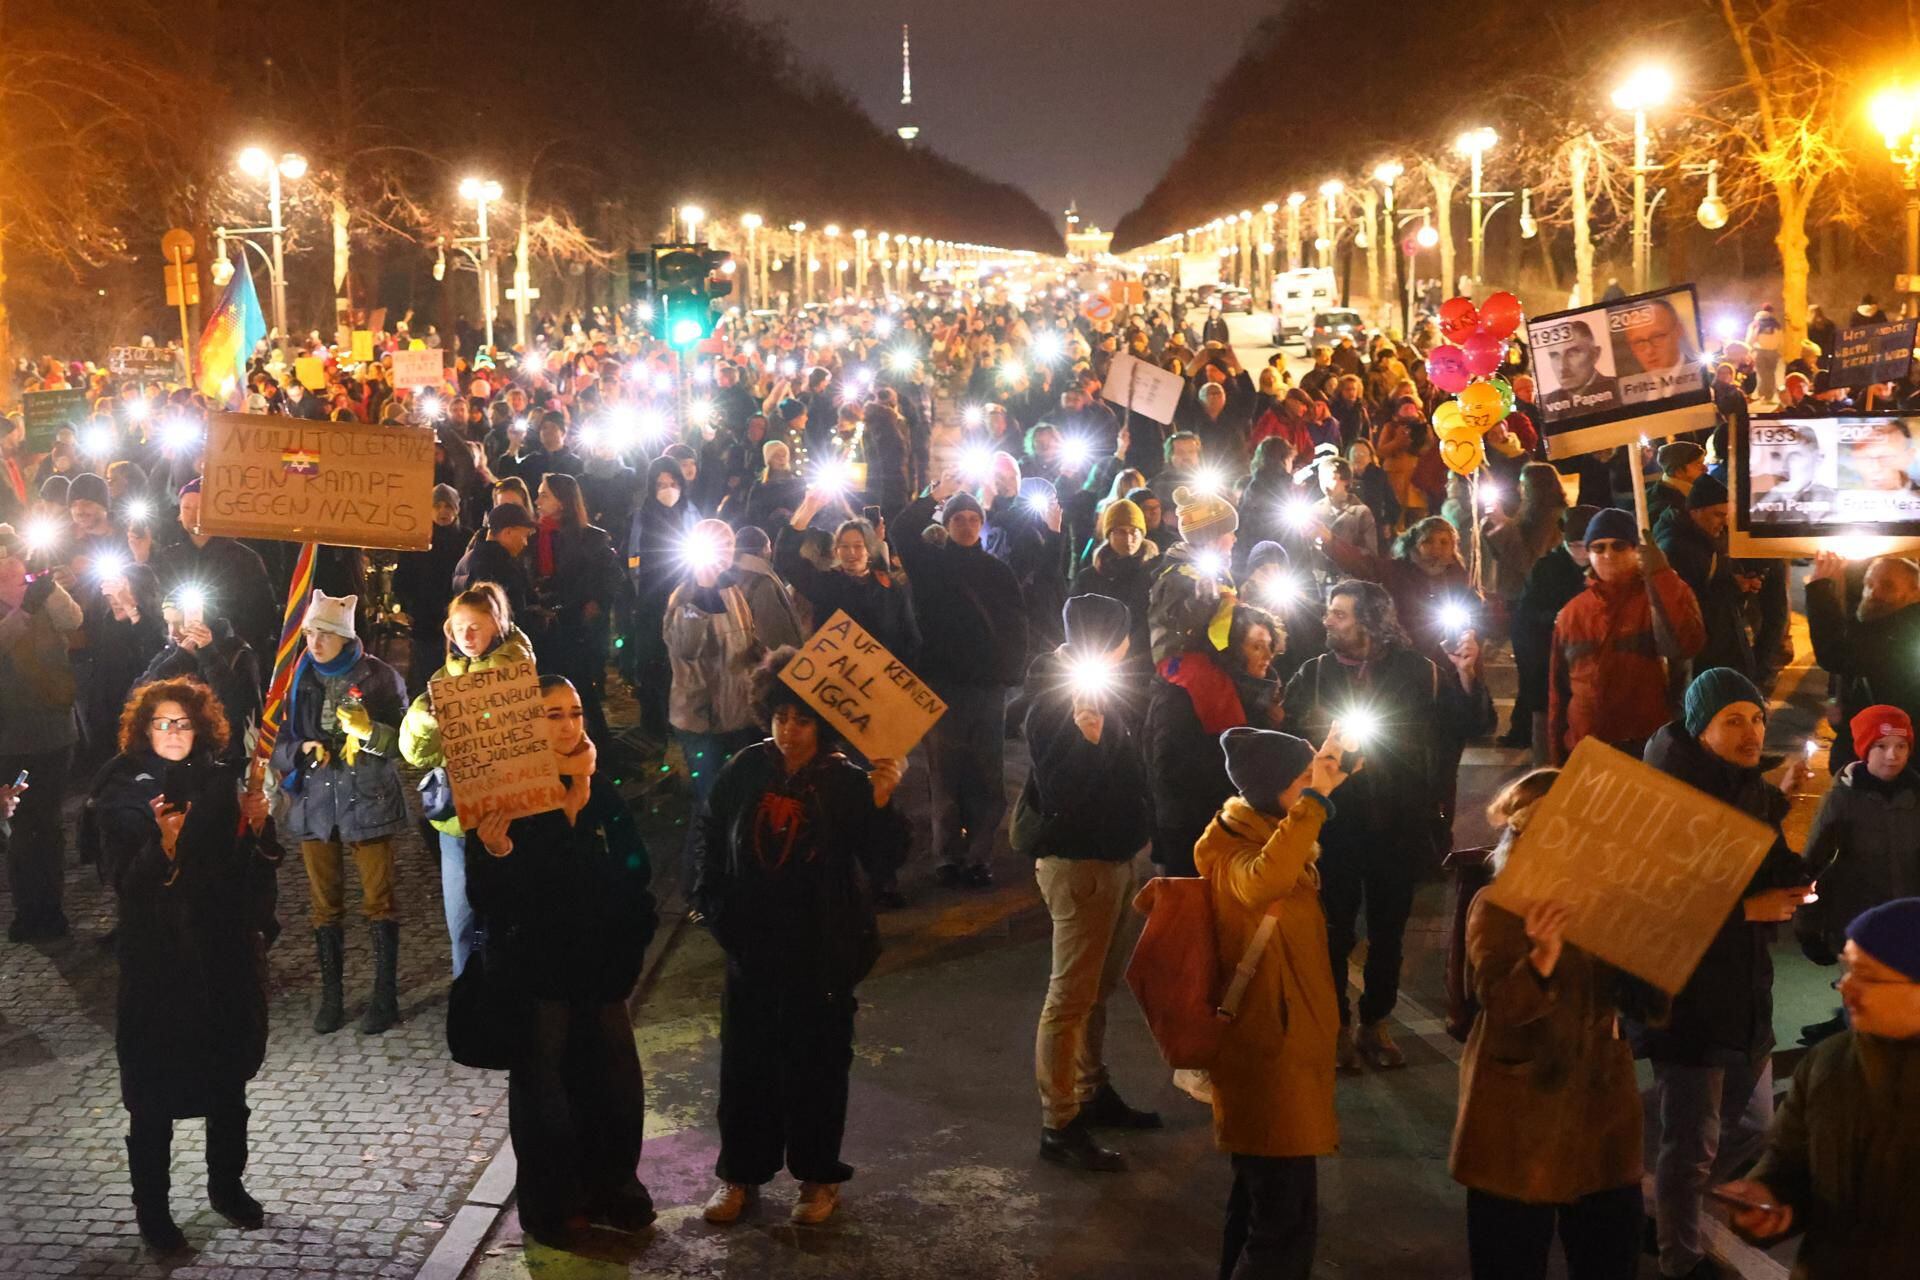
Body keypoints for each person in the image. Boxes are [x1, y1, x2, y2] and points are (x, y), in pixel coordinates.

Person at [689, 649, 910, 1227]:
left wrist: (884, 803)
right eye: (781, 717)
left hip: (822, 952)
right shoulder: (744, 769)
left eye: (803, 719)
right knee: (745, 1068)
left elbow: (885, 862)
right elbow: (709, 838)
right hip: (752, 949)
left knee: (818, 1067)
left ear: (824, 722)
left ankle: (817, 1177)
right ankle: (741, 1175)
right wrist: (716, 911)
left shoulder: (846, 781)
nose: (789, 730)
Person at [466, 676, 657, 1246]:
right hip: (539, 969)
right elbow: (487, 898)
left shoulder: (600, 788)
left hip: (599, 967)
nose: (569, 724)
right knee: (544, 1089)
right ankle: (556, 1204)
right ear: (529, 726)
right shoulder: (508, 798)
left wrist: (629, 929)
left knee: (615, 1081)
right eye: (553, 714)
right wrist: (499, 852)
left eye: (575, 712)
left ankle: (614, 1188)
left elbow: (635, 868)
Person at [1451, 770, 1662, 1280]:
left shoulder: (1607, 903)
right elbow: (1499, 1006)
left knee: (1609, 1256)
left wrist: (1656, 953)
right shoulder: (1497, 906)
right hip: (1519, 1120)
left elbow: (1646, 1004)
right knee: (1510, 1258)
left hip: (1601, 1112)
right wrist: (1542, 961)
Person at [1640, 666, 1815, 1280]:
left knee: (1752, 1124)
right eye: (1733, 720)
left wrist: (1795, 877)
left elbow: (1767, 860)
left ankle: (1667, 1206)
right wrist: (1747, 911)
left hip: (1745, 991)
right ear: (1700, 728)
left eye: (1758, 717)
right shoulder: (1670, 798)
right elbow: (1652, 906)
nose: (1752, 731)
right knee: (1691, 1146)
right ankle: (1679, 1256)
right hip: (1690, 1002)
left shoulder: (1746, 786)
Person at [93, 677, 273, 1252]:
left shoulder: (222, 780)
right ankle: (155, 1214)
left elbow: (251, 869)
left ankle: (227, 1186)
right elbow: (123, 880)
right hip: (159, 964)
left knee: (226, 1083)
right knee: (153, 1097)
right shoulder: (121, 790)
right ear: (145, 729)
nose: (174, 732)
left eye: (183, 722)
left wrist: (260, 825)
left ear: (200, 728)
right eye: (162, 723)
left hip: (219, 956)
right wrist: (163, 847)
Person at [1284, 579, 1490, 1071]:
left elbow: (1470, 725)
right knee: (1330, 931)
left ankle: (1374, 1022)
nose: (1328, 620)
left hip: (1398, 822)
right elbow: (1286, 735)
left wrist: (1466, 675)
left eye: (1340, 614)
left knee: (1388, 932)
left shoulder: (1421, 673)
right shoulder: (1313, 674)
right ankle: (1332, 1026)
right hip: (1333, 826)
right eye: (1330, 612)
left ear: (1372, 621)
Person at [1193, 725, 1356, 1280]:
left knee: (1260, 1208)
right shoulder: (1232, 852)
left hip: (1284, 1053)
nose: (1315, 784)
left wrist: (1332, 765)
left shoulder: (1269, 830)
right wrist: (1315, 804)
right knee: (1282, 1228)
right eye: (1304, 777)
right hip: (1266, 1058)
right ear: (1277, 792)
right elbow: (1265, 883)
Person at [1022, 595, 1159, 1172]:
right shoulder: (1053, 702)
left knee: (1098, 990)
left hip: (1118, 860)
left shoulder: (1112, 689)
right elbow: (1059, 796)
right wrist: (1088, 739)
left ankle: (1092, 1089)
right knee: (1069, 997)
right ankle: (1060, 1123)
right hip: (1081, 869)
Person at [1718, 898, 1920, 1277]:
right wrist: (1769, 1197)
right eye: (1847, 968)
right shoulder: (1828, 1063)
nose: (1845, 987)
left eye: (1868, 975)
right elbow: (1788, 1161)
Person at [269, 591, 409, 1036]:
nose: (315, 641)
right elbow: (276, 739)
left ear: (345, 636)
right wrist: (300, 749)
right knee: (324, 906)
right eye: (310, 632)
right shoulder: (298, 677)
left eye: (325, 633)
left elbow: (402, 744)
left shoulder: (380, 677)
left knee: (377, 900)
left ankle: (384, 997)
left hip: (366, 799)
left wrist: (368, 731)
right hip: (315, 802)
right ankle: (333, 998)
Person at [892, 481, 1027, 889]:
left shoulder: (997, 571)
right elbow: (901, 530)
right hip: (943, 685)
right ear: (946, 524)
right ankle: (947, 855)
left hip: (987, 689)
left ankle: (979, 856)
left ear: (981, 525)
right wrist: (934, 495)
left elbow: (1017, 624)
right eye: (958, 518)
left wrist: (1010, 674)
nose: (967, 525)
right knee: (945, 776)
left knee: (988, 775)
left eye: (973, 518)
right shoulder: (930, 564)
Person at [400, 583, 536, 976]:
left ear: (497, 624)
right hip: (456, 826)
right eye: (459, 627)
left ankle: (511, 1005)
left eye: (476, 626)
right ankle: (469, 1002)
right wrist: (424, 722)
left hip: (509, 822)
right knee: (463, 927)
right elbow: (416, 755)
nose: (467, 635)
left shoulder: (520, 677)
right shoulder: (442, 678)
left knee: (505, 923)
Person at [1794, 705, 1920, 1044]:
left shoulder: (1916, 795)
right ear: (1865, 750)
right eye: (1881, 747)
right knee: (1866, 1018)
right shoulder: (1842, 799)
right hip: (1858, 925)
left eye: (1901, 746)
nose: (1892, 756)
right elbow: (1813, 864)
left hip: (1910, 925)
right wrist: (1808, 926)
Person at [1548, 508, 1706, 764]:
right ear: (1588, 554)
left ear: (1636, 550)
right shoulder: (1572, 613)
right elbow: (1558, 694)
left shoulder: (1658, 598)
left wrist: (1662, 575)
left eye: (1619, 546)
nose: (1608, 554)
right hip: (1587, 750)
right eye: (1598, 548)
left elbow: (1686, 642)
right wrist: (1556, 762)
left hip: (1645, 749)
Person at [0, 537, 82, 941]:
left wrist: (49, 589)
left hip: (52, 731)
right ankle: (27, 910)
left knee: (47, 824)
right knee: (19, 825)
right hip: (10, 737)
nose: (9, 563)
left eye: (14, 555)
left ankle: (50, 908)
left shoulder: (38, 584)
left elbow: (73, 621)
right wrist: (24, 610)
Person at [664, 519, 768, 808]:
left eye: (727, 545)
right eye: (714, 544)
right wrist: (703, 593)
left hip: (738, 715)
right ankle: (700, 854)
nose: (721, 552)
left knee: (740, 801)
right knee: (711, 807)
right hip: (701, 720)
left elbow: (746, 639)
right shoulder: (684, 594)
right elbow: (685, 647)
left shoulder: (734, 591)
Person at [136, 479, 279, 666]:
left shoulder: (243, 559)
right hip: (177, 656)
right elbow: (152, 607)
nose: (193, 514)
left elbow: (261, 614)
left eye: (200, 507)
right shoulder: (167, 558)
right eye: (187, 507)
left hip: (228, 659)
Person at [1805, 551, 1920, 772]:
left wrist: (1820, 589)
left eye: (1887, 586)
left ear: (1915, 593)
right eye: (1869, 584)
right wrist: (1834, 704)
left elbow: (1836, 655)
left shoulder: (1906, 632)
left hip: (1895, 763)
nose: (1873, 592)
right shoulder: (1871, 625)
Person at [530, 473, 622, 745]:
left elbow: (612, 579)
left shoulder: (591, 539)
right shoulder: (535, 537)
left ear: (562, 501)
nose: (537, 500)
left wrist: (594, 605)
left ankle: (596, 747)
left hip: (575, 628)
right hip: (544, 630)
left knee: (581, 691)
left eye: (544, 494)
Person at [778, 490, 919, 660]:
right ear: (836, 551)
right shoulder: (827, 585)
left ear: (869, 550)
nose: (851, 553)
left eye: (858, 546)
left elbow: (910, 640)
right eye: (844, 546)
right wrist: (808, 510)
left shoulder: (890, 588)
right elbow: (788, 561)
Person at [1508, 506, 1597, 759]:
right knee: (1546, 722)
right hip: (1546, 656)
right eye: (1575, 546)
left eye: (1587, 546)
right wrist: (1557, 618)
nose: (1581, 554)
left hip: (1585, 663)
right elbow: (1527, 615)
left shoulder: (1603, 565)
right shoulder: (1546, 568)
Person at [393, 484, 469, 692]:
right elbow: (404, 577)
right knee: (425, 678)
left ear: (456, 509)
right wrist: (408, 608)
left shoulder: (466, 539)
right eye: (437, 506)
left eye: (448, 506)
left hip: (458, 620)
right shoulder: (418, 538)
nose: (443, 511)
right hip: (424, 621)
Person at [1068, 498, 1156, 665]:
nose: (1129, 538)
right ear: (1109, 534)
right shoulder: (1089, 577)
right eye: (1121, 532)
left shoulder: (1154, 573)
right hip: (1098, 662)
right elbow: (1076, 619)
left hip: (1142, 661)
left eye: (1134, 531)